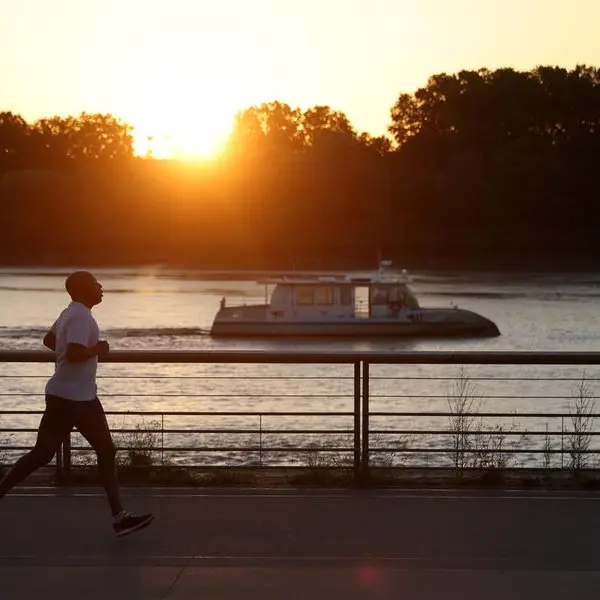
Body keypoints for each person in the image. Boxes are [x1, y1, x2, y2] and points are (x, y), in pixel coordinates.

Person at [0, 271, 153, 537]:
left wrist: (68, 354)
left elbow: (50, 341)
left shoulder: (69, 312)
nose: (101, 286)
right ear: (83, 289)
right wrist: (97, 350)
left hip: (82, 397)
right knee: (43, 454)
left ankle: (120, 518)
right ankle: (118, 517)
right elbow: (72, 353)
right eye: (96, 283)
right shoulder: (81, 315)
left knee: (105, 451)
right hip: (69, 399)